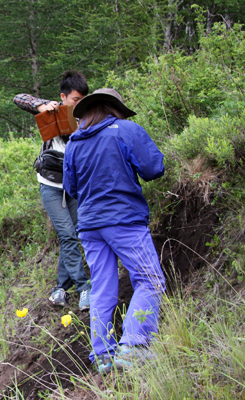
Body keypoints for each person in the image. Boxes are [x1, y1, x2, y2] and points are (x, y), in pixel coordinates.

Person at [62, 88, 166, 374]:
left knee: (102, 287)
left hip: (89, 225)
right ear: (114, 108)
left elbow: (71, 188)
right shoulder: (125, 130)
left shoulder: (74, 142)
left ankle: (103, 355)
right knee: (150, 280)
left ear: (89, 110)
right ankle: (135, 345)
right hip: (123, 219)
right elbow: (153, 168)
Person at [13, 71, 92, 310]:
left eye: (82, 100)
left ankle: (60, 289)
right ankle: (83, 288)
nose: (78, 104)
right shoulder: (52, 110)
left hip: (74, 186)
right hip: (50, 185)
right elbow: (19, 98)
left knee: (72, 235)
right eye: (75, 100)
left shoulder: (86, 118)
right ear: (63, 97)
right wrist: (41, 105)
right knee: (67, 234)